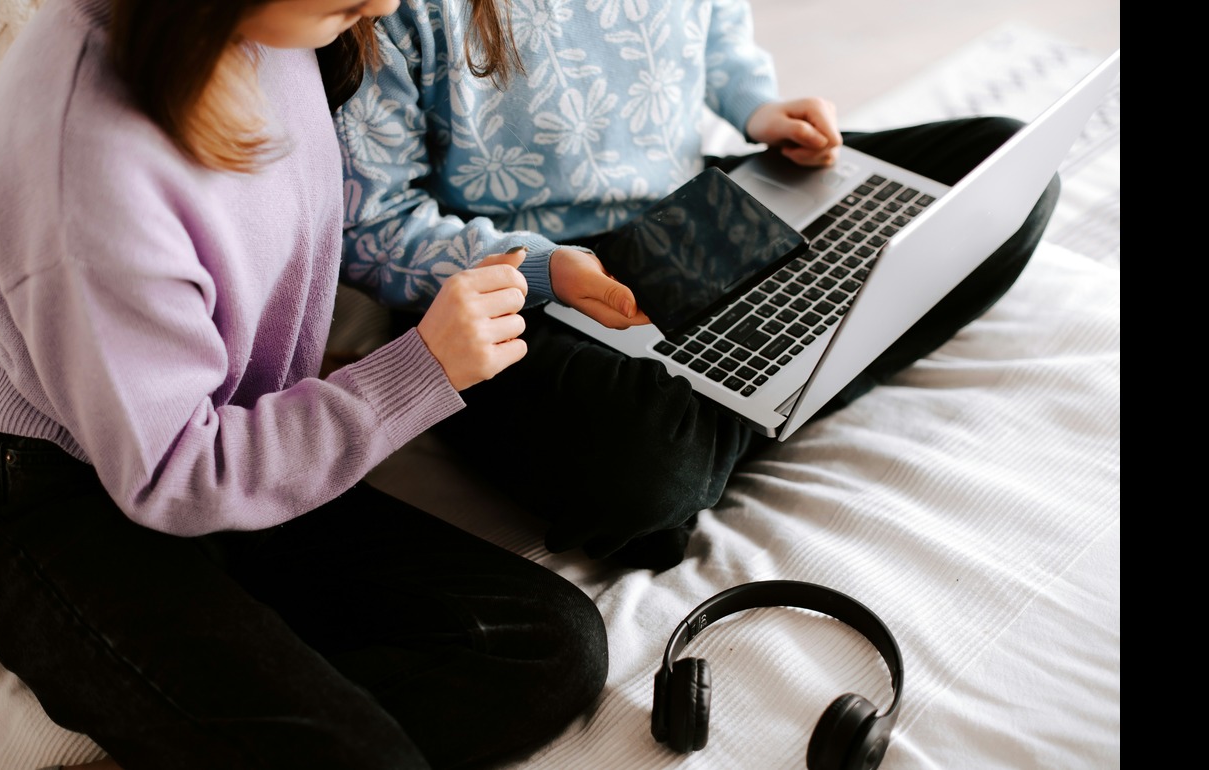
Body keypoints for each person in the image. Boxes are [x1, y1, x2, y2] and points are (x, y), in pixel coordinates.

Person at [0, 1, 609, 768]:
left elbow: (356, 229)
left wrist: (528, 269)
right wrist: (420, 370)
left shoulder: (277, 30)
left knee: (548, 649)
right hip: (68, 495)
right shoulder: (89, 149)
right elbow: (175, 473)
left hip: (245, 445)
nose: (388, 5)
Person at [332, 0, 1059, 571]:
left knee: (1010, 170)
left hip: (695, 207)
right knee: (647, 466)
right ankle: (783, 374)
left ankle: (753, 394)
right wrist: (543, 268)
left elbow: (715, 32)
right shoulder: (391, 7)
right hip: (521, 280)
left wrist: (757, 106)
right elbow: (373, 225)